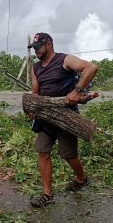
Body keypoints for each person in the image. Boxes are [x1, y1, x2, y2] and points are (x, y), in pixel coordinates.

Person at [27, 32, 99, 207]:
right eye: (34, 48)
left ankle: (82, 178)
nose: (36, 51)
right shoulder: (36, 68)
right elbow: (35, 92)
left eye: (38, 47)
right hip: (46, 117)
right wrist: (33, 107)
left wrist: (77, 91)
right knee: (43, 151)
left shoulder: (64, 60)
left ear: (49, 44)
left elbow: (91, 68)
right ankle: (47, 194)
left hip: (66, 117)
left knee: (68, 154)